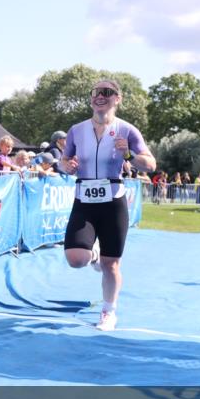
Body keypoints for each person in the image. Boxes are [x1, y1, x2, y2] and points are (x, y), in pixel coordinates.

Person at [58, 79, 155, 332]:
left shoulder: (127, 130)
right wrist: (66, 166)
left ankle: (108, 312)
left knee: (111, 265)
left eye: (107, 92)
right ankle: (95, 254)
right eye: (96, 92)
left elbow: (150, 165)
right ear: (91, 99)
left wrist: (130, 155)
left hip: (113, 201)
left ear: (117, 99)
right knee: (76, 259)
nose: (100, 96)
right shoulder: (77, 130)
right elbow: (63, 160)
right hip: (84, 200)